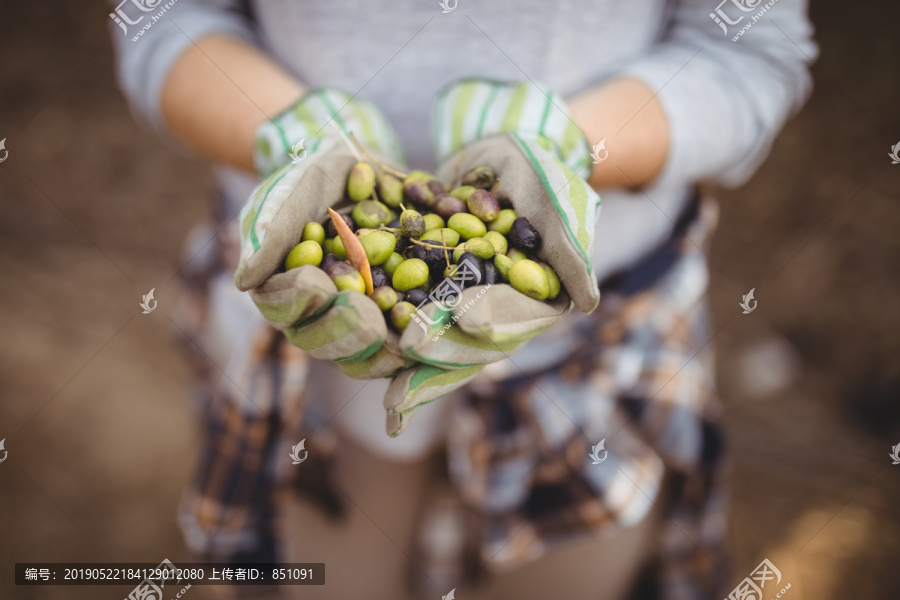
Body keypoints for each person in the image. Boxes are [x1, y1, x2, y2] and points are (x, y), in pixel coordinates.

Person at [109, 1, 816, 598]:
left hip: (591, 345)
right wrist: (285, 132)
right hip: (315, 343)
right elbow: (159, 16)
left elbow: (751, 49)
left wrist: (572, 143)